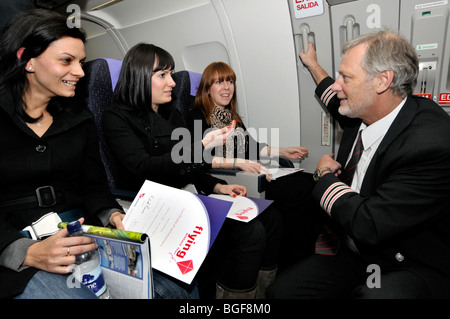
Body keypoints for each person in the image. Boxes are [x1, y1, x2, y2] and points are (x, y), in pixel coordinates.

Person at [0, 9, 196, 299]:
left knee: (178, 289)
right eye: (67, 60)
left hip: (79, 229)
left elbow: (93, 186)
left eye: (80, 61)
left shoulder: (79, 120)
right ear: (27, 61)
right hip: (14, 236)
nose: (80, 71)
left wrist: (112, 214)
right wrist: (23, 251)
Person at [267, 30, 450, 299]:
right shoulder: (362, 110)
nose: (338, 85)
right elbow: (331, 94)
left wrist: (324, 174)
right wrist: (313, 65)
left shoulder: (431, 144)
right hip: (360, 254)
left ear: (382, 81)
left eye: (347, 77)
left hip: (409, 264)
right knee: (281, 292)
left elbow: (369, 223)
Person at [102, 43, 283, 298]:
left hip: (186, 197)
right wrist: (201, 146)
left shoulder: (172, 114)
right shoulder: (116, 117)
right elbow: (143, 168)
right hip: (154, 206)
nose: (173, 83)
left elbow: (189, 168)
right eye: (162, 75)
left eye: (172, 74)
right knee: (250, 233)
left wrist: (217, 186)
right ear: (141, 77)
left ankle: (259, 293)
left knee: (269, 218)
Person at [187, 62, 322, 269]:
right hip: (229, 179)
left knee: (310, 181)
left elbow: (251, 146)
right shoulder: (197, 115)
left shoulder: (231, 116)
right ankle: (295, 261)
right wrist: (238, 163)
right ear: (207, 88)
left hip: (247, 171)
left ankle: (298, 256)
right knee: (301, 191)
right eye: (219, 82)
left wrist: (282, 151)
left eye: (230, 81)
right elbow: (199, 158)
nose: (226, 87)